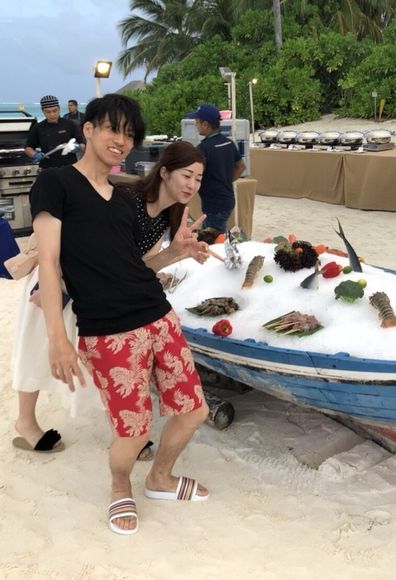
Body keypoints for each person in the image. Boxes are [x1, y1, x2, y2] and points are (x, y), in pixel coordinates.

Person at [30, 94, 210, 535]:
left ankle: (160, 478)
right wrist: (57, 337)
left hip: (158, 315)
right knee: (132, 430)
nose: (121, 140)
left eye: (129, 134)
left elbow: (134, 266)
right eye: (112, 128)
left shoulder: (125, 200)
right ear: (88, 129)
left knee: (193, 410)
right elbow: (49, 263)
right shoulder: (56, 183)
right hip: (108, 330)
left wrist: (175, 252)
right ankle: (119, 486)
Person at [12, 141, 211, 458]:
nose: (192, 184)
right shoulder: (127, 200)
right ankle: (25, 420)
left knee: (105, 360)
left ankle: (125, 432)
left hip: (99, 294)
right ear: (164, 172)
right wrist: (59, 284)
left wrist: (175, 253)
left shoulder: (166, 217)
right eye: (187, 175)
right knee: (39, 346)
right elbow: (80, 241)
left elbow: (137, 268)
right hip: (59, 279)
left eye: (198, 179)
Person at [189, 103, 246, 232]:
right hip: (227, 200)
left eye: (197, 122)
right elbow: (241, 167)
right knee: (211, 233)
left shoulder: (203, 148)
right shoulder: (228, 143)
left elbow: (193, 173)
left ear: (205, 124)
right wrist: (226, 181)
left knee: (213, 238)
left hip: (214, 205)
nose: (195, 125)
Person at [24, 95, 84, 169]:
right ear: (42, 111)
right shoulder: (38, 127)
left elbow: (82, 143)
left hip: (69, 167)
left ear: (59, 109)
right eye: (48, 112)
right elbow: (28, 148)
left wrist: (78, 147)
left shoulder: (70, 124)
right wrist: (34, 154)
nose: (52, 114)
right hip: (48, 168)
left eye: (55, 111)